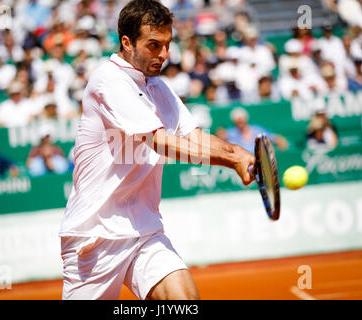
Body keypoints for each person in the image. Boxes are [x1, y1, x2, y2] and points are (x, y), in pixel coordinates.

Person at [59, 0, 255, 301]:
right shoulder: (108, 79)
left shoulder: (158, 87)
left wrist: (238, 152)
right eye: (154, 45)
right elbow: (159, 141)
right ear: (127, 42)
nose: (164, 55)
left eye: (167, 44)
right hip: (94, 237)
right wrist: (232, 159)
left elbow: (194, 136)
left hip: (144, 231)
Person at [224, 107, 289, 153]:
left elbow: (278, 140)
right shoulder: (230, 133)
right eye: (237, 121)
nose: (240, 122)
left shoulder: (257, 130)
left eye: (241, 119)